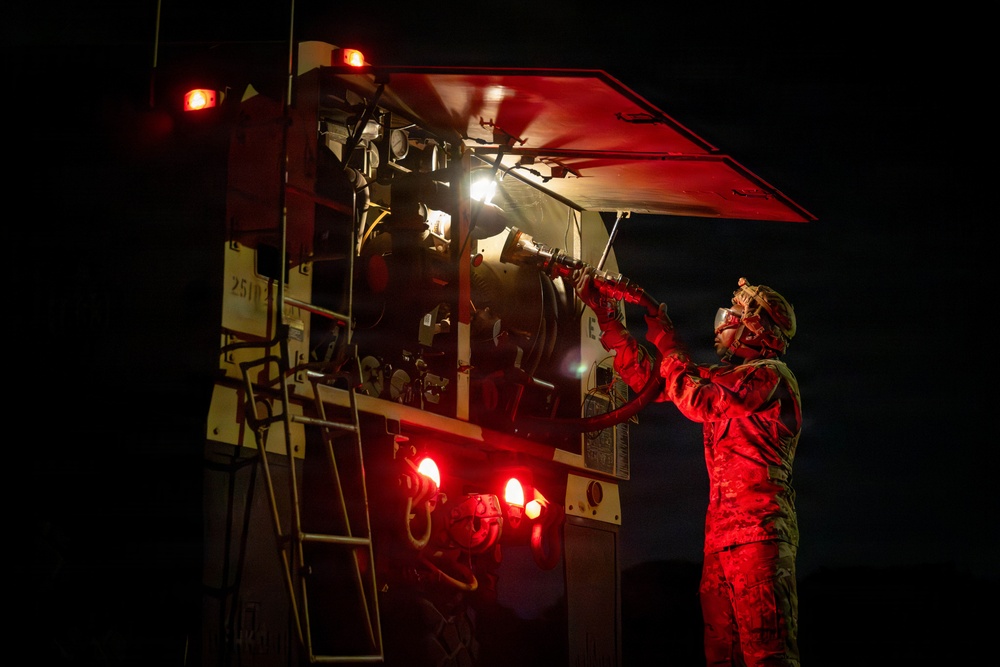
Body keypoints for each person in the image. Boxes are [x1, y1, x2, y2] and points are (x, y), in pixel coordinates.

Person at [576, 273, 802, 667]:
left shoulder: (771, 377)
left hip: (759, 539)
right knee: (721, 658)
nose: (722, 324)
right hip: (722, 541)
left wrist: (670, 346)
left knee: (769, 657)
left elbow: (696, 401)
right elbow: (652, 381)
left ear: (756, 329)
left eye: (733, 316)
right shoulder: (726, 377)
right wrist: (608, 318)